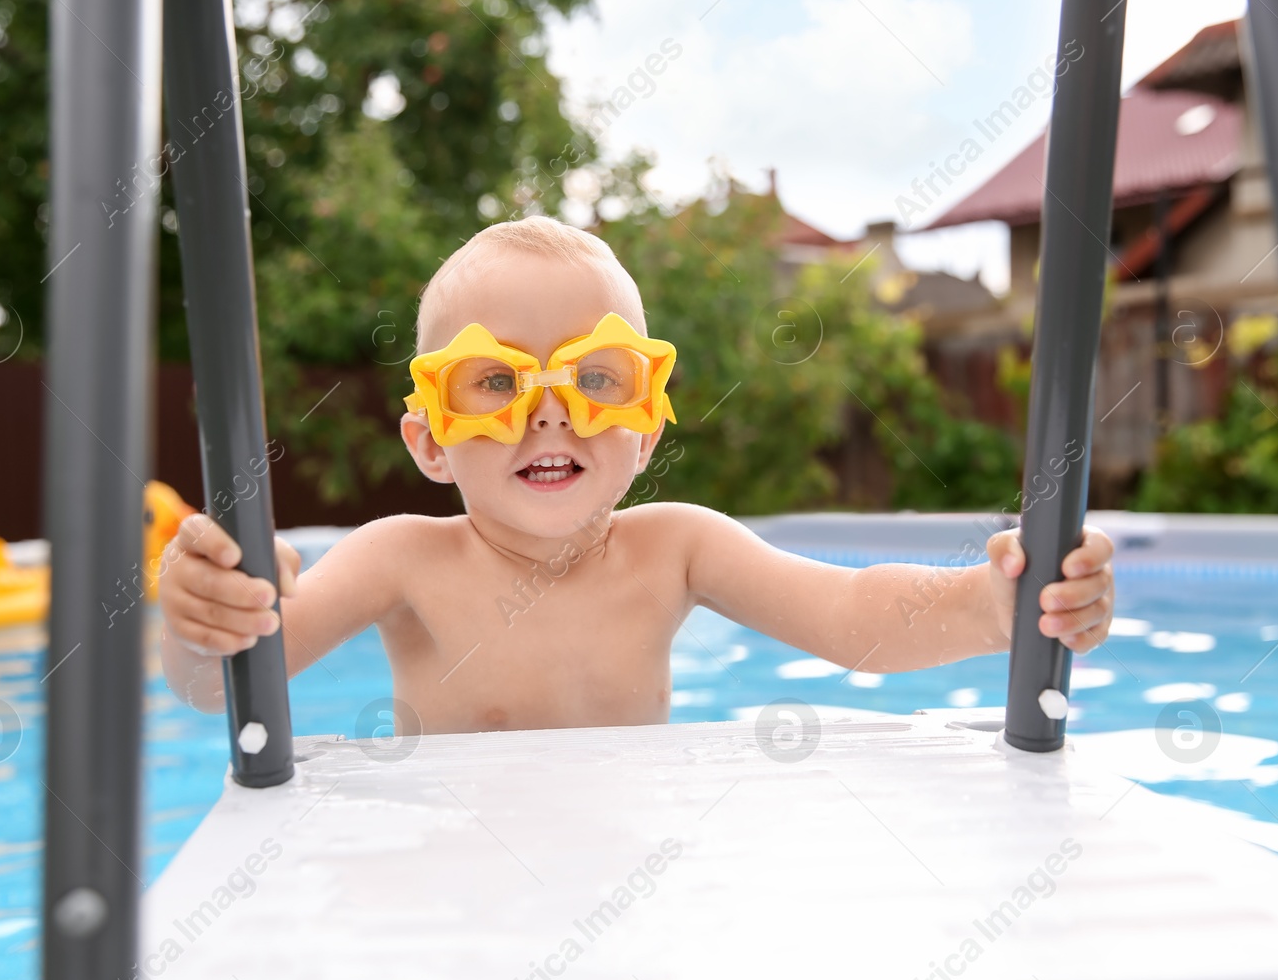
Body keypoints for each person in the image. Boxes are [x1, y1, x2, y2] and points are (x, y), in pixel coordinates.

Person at [159, 216, 1114, 733]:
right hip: (455, 890)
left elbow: (856, 617)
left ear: (648, 428)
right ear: (429, 442)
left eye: (595, 378)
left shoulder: (678, 547)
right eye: (495, 381)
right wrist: (214, 622)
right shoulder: (400, 560)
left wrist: (998, 606)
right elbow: (224, 692)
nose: (550, 410)